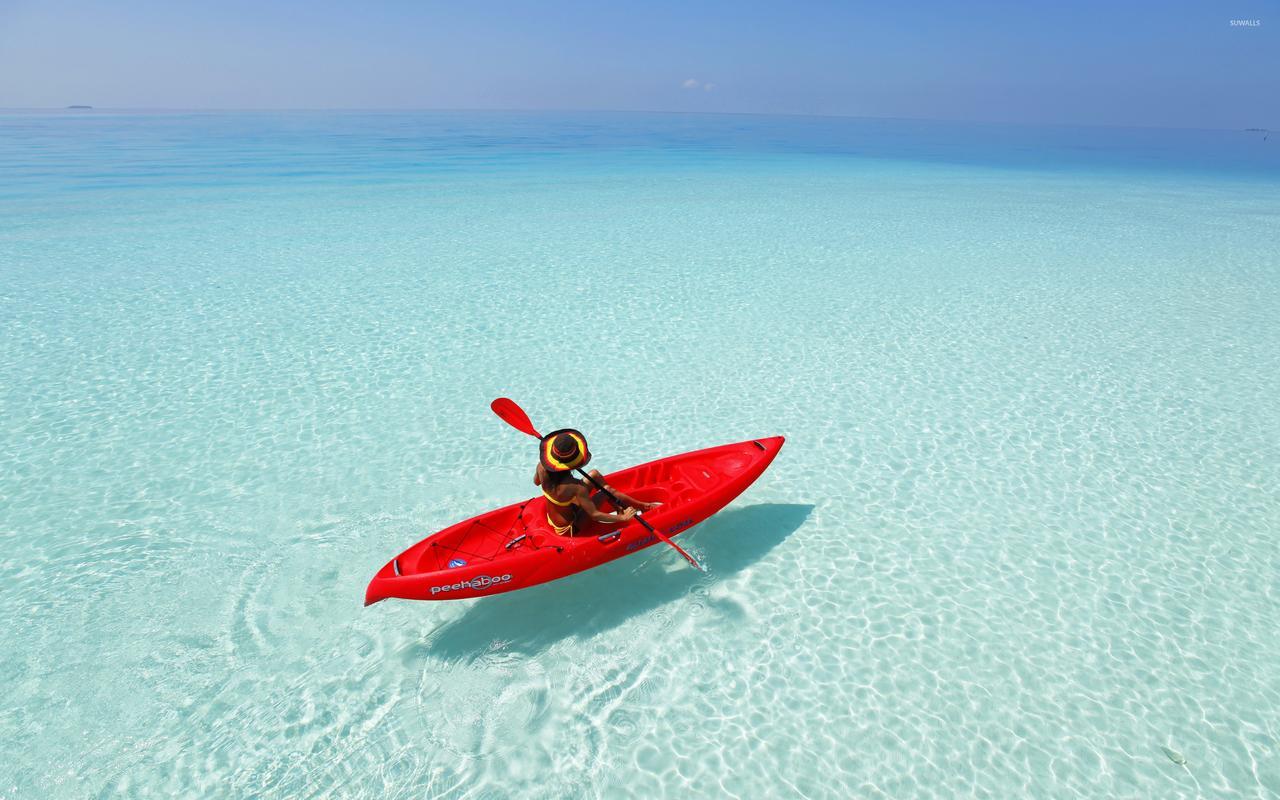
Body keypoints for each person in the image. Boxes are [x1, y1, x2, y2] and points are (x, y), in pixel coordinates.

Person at [534, 428, 658, 537]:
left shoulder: (541, 467)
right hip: (571, 528)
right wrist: (622, 518)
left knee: (594, 475)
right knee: (606, 490)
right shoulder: (576, 487)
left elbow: (536, 482)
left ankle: (618, 507)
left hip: (559, 514)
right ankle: (644, 507)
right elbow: (594, 515)